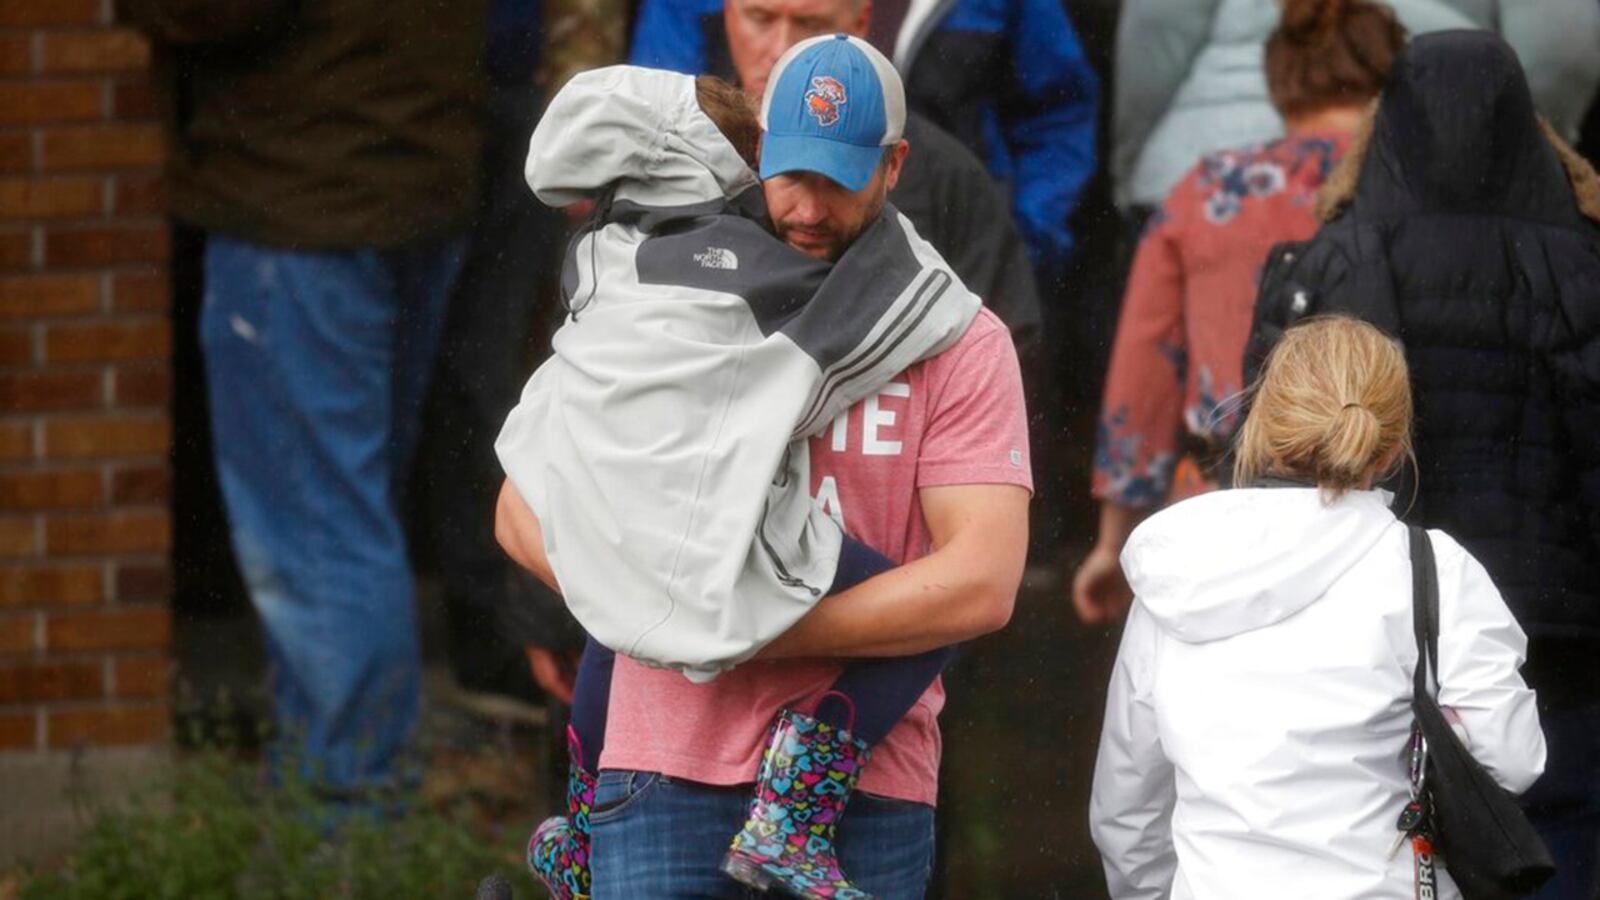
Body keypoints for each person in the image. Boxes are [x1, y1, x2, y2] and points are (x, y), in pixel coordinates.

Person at [498, 38, 1032, 900]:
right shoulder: (666, 295)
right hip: (658, 769)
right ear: (757, 154)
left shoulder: (958, 338)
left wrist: (716, 620)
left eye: (837, 179)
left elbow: (978, 586)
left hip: (870, 797)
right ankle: (578, 827)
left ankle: (756, 809)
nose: (807, 208)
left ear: (894, 165)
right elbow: (520, 511)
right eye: (790, 174)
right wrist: (653, 591)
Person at [1244, 30, 1600, 899]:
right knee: (1559, 837)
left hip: (1378, 618)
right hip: (1563, 634)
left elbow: (1270, 458)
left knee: (1385, 839)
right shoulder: (1585, 264)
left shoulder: (1331, 259)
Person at [125, 0, 488, 802]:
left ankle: (347, 825)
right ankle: (326, 799)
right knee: (348, 521)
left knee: (322, 536)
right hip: (412, 175)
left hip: (307, 199)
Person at [1090, 315, 1546, 899]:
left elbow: (1128, 805)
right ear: (1391, 448)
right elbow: (1513, 758)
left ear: (1259, 425)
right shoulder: (1431, 569)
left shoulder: (1175, 571)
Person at [1073, 0, 1406, 625]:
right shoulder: (1415, 193)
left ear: (1278, 78)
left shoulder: (1207, 191)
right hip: (1385, 514)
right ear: (1392, 80)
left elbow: (1144, 374)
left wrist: (1112, 542)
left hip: (1222, 507)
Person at [628, 0, 1098, 287]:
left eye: (809, 24)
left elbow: (1061, 109)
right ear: (727, 10)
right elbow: (650, 105)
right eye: (761, 17)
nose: (781, 49)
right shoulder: (680, 135)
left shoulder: (951, 178)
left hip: (954, 228)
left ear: (860, 21)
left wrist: (1030, 236)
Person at [1111, 0, 1600, 219]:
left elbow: (1155, 34)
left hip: (1202, 181)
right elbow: (1559, 52)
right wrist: (1525, 156)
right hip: (1437, 182)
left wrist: (1132, 168)